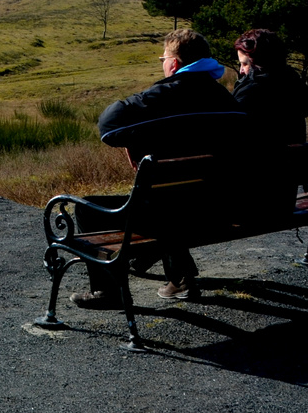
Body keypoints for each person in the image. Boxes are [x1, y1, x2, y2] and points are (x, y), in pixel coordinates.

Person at [73, 28, 244, 309]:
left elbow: (108, 124)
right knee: (174, 197)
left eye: (163, 58)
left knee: (87, 209)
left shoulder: (162, 95)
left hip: (174, 213)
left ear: (174, 63)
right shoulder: (228, 100)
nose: (162, 64)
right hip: (220, 208)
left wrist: (135, 136)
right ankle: (180, 278)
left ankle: (108, 292)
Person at [231, 28, 308, 146]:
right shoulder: (294, 83)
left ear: (258, 62)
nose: (241, 70)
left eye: (245, 64)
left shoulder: (250, 90)